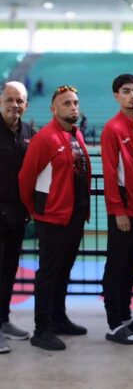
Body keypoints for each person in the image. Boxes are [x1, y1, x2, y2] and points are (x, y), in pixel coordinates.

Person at [19, 85, 90, 351]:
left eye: (75, 102)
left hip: (74, 217)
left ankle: (59, 319)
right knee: (49, 274)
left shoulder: (76, 134)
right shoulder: (45, 138)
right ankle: (42, 329)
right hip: (53, 218)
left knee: (63, 272)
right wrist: (35, 210)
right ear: (53, 108)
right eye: (66, 103)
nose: (73, 107)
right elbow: (25, 178)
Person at [101, 74, 133, 345]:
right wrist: (118, 209)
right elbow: (110, 173)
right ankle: (113, 324)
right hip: (124, 211)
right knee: (116, 267)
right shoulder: (113, 129)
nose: (132, 95)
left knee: (131, 267)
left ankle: (125, 315)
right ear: (116, 96)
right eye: (126, 91)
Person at [0, 81, 36, 354]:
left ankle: (3, 320)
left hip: (16, 216)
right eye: (9, 100)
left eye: (19, 100)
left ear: (26, 104)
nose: (14, 105)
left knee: (8, 269)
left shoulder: (28, 133)